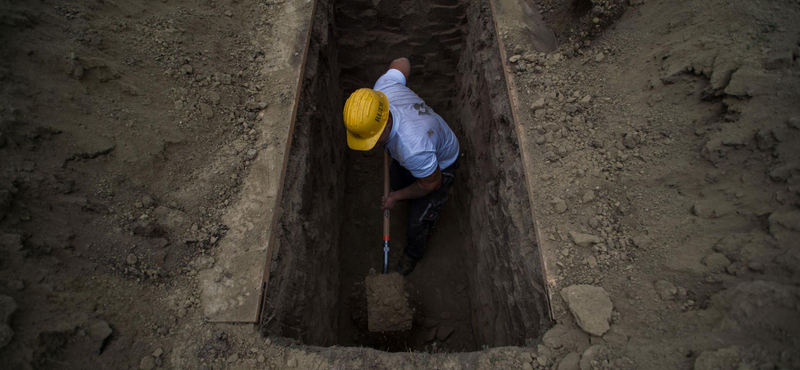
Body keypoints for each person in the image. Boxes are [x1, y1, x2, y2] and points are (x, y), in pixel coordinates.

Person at [342, 57, 461, 276]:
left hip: (440, 166)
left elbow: (432, 183)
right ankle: (406, 192)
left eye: (374, 138)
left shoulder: (413, 149)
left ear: (386, 122)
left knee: (419, 221)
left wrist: (396, 197)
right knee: (400, 177)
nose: (372, 144)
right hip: (421, 149)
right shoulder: (383, 90)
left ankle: (413, 254)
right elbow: (402, 62)